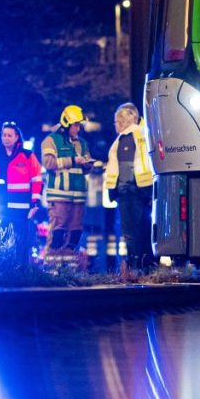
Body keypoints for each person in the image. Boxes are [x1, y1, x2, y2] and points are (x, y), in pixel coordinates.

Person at [0, 121, 43, 267]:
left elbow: (37, 179)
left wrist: (35, 203)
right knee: (0, 239)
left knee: (21, 240)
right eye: (4, 135)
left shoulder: (28, 156)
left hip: (22, 208)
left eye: (9, 135)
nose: (6, 138)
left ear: (17, 137)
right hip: (0, 207)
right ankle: (2, 270)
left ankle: (21, 271)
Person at [105, 102, 154, 274]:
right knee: (144, 229)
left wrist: (117, 189)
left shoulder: (126, 136)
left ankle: (135, 268)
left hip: (129, 191)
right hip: (145, 189)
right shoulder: (144, 133)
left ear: (123, 121)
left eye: (116, 122)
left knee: (130, 232)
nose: (115, 126)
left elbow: (126, 168)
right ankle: (147, 266)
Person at [41, 105, 94, 256]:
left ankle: (68, 269)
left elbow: (85, 167)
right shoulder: (51, 140)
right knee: (58, 233)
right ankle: (52, 269)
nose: (78, 128)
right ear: (66, 124)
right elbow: (49, 163)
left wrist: (88, 164)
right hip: (59, 196)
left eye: (79, 125)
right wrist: (72, 160)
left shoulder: (82, 143)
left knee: (75, 233)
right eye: (75, 125)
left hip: (78, 197)